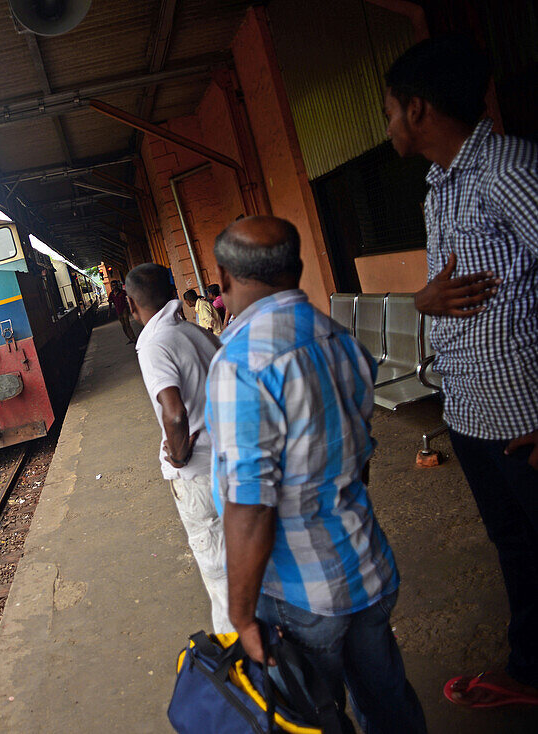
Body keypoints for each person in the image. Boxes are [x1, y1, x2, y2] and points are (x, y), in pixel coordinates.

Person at [206, 216, 426, 734]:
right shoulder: (339, 338)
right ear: (297, 268)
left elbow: (251, 504)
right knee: (388, 699)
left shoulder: (240, 363)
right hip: (365, 563)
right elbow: (361, 454)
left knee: (311, 717)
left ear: (222, 276)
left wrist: (240, 617)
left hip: (300, 593)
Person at [383, 35, 538, 709]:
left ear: (417, 109)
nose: (386, 123)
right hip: (473, 415)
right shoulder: (441, 186)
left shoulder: (508, 168)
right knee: (516, 547)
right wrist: (422, 302)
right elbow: (446, 290)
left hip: (526, 418)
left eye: (388, 108)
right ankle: (532, 670)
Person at [124, 263, 232, 634]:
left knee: (221, 576)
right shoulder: (195, 332)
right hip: (231, 460)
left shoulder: (154, 344)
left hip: (199, 473)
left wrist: (179, 452)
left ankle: (245, 669)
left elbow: (173, 413)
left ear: (129, 302)